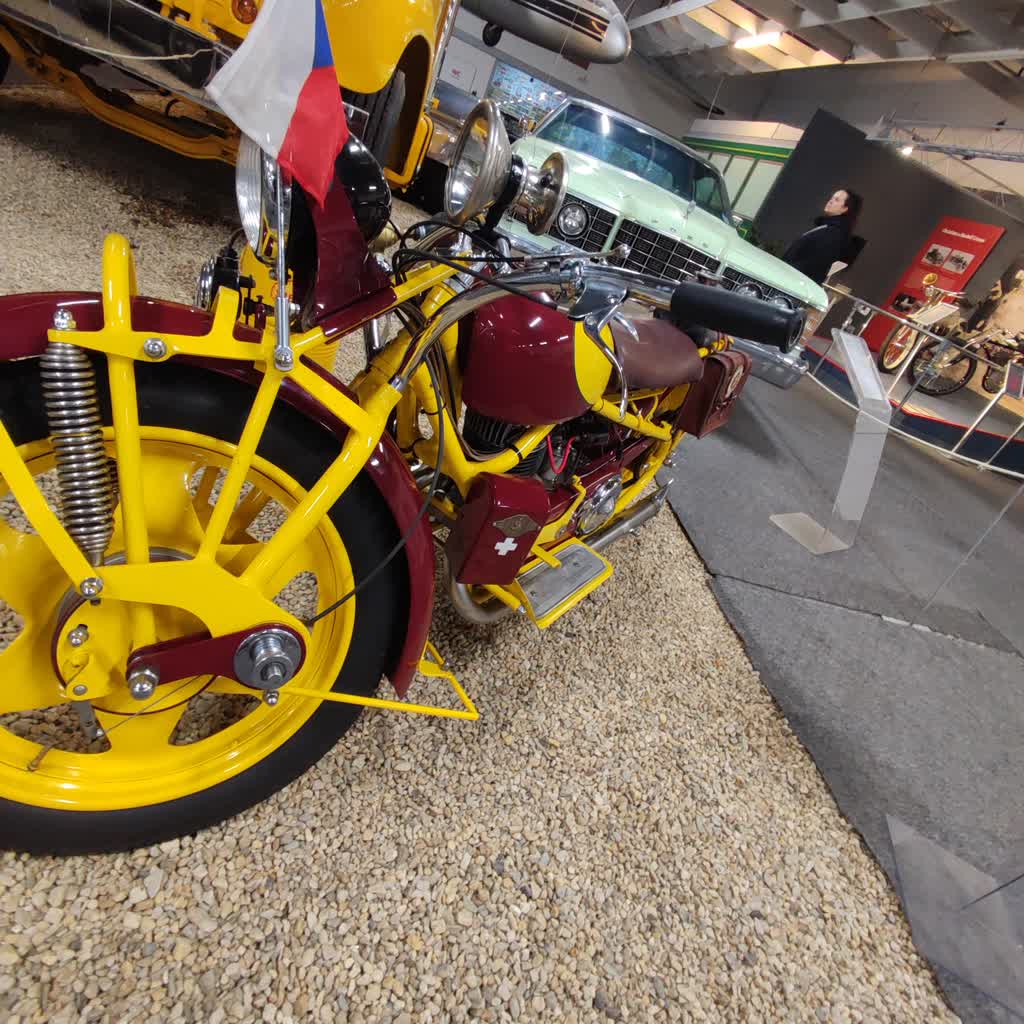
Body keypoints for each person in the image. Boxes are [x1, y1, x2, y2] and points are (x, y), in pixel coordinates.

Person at [783, 187, 864, 285]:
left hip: (794, 281)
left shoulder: (834, 234)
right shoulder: (827, 228)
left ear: (845, 209)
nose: (830, 201)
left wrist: (785, 274)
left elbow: (813, 264)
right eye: (832, 198)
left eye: (836, 200)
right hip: (792, 278)